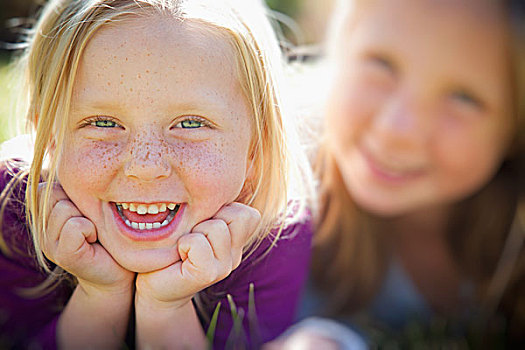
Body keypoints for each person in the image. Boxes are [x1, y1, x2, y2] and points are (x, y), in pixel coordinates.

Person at [0, 0, 315, 348]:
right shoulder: (12, 211)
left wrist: (166, 308)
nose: (145, 166)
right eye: (103, 123)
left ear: (256, 148)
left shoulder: (273, 238)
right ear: (51, 138)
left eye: (191, 123)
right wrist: (99, 297)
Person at [272, 0, 525, 348]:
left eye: (462, 97)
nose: (397, 129)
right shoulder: (267, 172)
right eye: (382, 64)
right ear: (340, 46)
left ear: (515, 126)